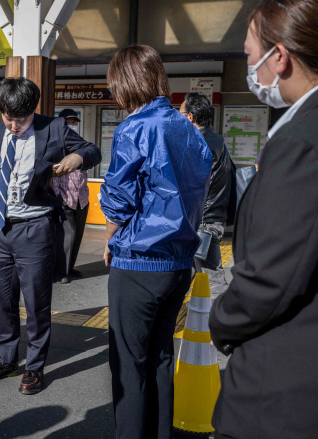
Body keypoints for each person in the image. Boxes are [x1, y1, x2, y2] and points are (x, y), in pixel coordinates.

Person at [209, 0, 318, 437]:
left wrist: (220, 320)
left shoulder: (304, 142)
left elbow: (270, 280)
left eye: (250, 53)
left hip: (288, 395)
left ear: (280, 57)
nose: (249, 66)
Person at [99, 45, 212, 439]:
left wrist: (110, 239)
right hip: (179, 263)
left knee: (129, 366)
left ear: (126, 83)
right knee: (161, 358)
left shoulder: (136, 127)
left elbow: (118, 199)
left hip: (139, 263)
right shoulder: (188, 128)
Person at [0, 77, 101, 395]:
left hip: (35, 228)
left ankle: (34, 366)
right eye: (7, 118)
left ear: (33, 111)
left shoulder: (54, 128)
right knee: (2, 301)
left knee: (36, 303)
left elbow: (92, 149)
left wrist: (76, 158)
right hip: (0, 228)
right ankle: (5, 359)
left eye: (21, 119)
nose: (13, 125)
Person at [180, 92, 232, 299]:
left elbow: (188, 184)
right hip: (212, 215)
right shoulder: (215, 139)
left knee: (212, 274)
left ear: (190, 117)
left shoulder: (198, 144)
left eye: (180, 114)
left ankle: (225, 321)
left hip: (203, 220)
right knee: (191, 269)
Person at [52, 109, 90, 284]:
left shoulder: (81, 146)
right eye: (69, 122)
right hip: (64, 196)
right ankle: (60, 271)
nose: (72, 125)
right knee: (67, 234)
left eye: (74, 122)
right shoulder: (55, 144)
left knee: (77, 234)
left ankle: (69, 267)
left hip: (81, 197)